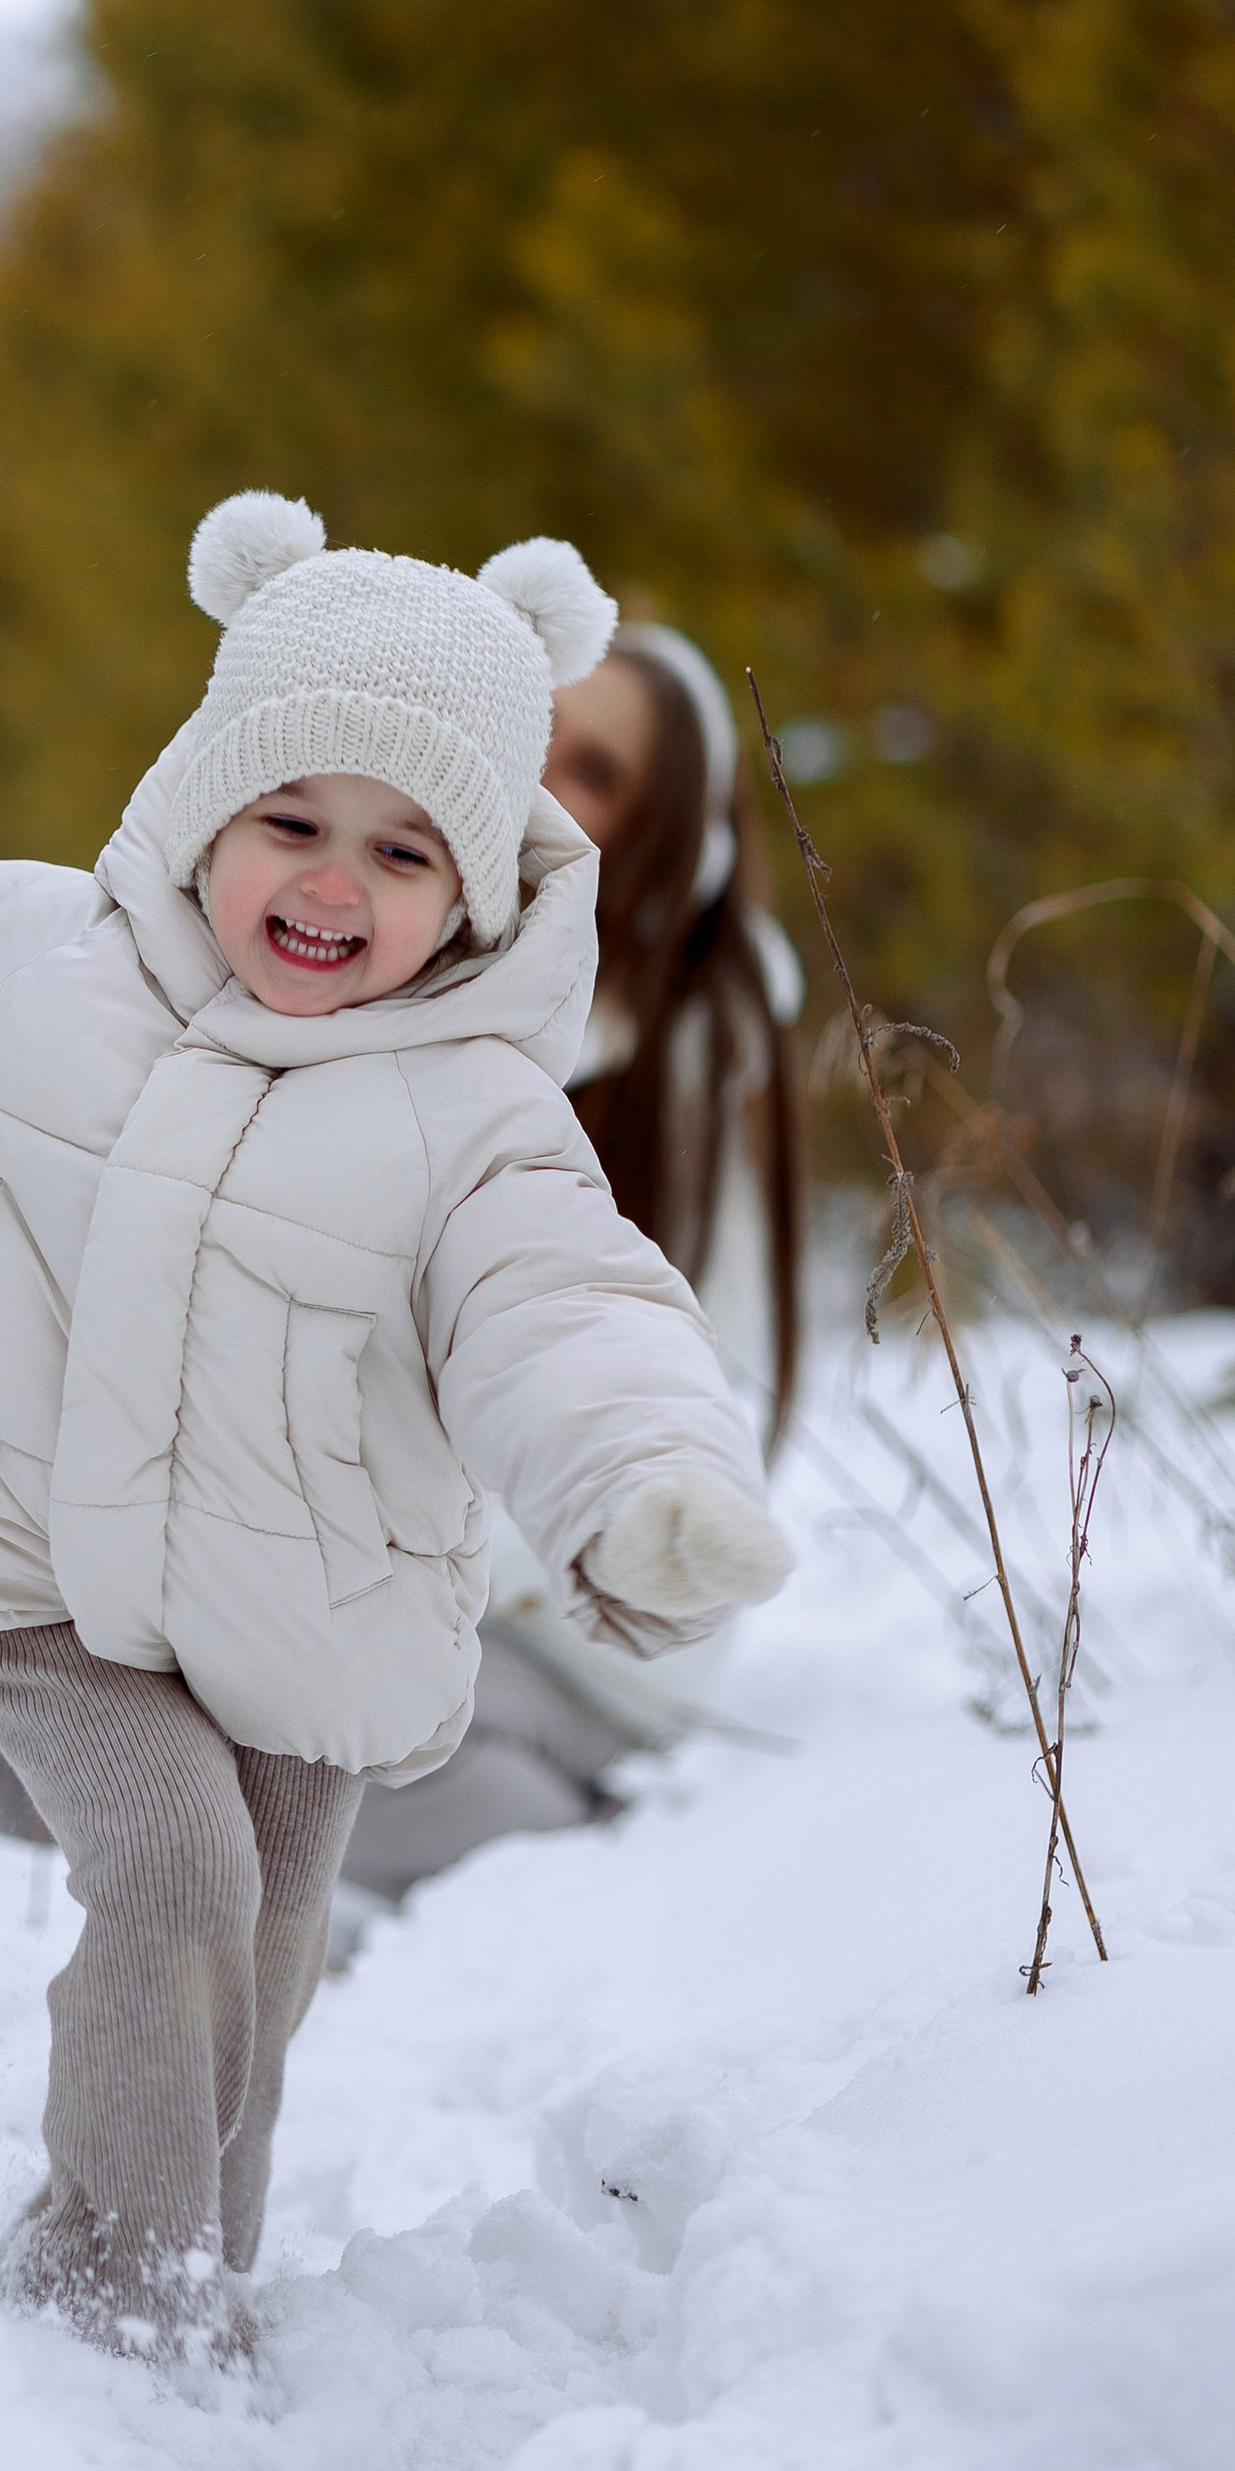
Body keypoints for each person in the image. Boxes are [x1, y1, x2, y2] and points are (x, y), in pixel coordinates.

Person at [0, 494, 789, 2362]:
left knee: (259, 1957)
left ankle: (200, 2283)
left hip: (306, 1614)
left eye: (404, 845)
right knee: (178, 1877)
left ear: (485, 885)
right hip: (48, 1586)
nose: (331, 881)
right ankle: (106, 2287)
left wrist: (644, 1490)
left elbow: (569, 1313)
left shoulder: (477, 1118)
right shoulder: (28, 967)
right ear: (208, 802)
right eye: (291, 817)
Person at [337, 619, 806, 1896]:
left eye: (590, 771)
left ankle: (560, 1857)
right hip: (357, 1586)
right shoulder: (376, 967)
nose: (535, 784)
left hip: (561, 1626)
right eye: (526, 737)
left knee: (312, 1743)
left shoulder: (680, 1077)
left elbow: (657, 1403)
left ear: (662, 855)